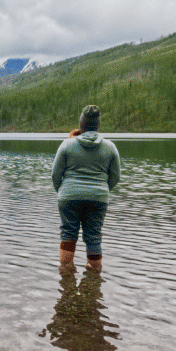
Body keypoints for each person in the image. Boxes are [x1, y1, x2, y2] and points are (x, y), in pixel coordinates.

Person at [51, 105, 120, 272]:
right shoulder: (110, 147)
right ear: (98, 124)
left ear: (81, 124)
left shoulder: (67, 145)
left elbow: (55, 174)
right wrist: (102, 189)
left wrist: (63, 191)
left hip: (69, 196)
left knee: (68, 233)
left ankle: (66, 274)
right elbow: (115, 177)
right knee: (94, 237)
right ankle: (95, 276)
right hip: (98, 197)